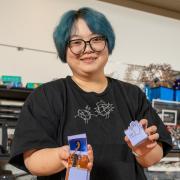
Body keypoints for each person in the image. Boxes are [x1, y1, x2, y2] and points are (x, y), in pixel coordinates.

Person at [9, 7, 172, 180]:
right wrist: (60, 156)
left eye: (96, 39)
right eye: (76, 42)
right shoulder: (46, 96)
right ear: (64, 49)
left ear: (108, 43)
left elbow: (152, 157)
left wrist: (143, 150)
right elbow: (31, 160)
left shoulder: (132, 95)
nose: (88, 49)